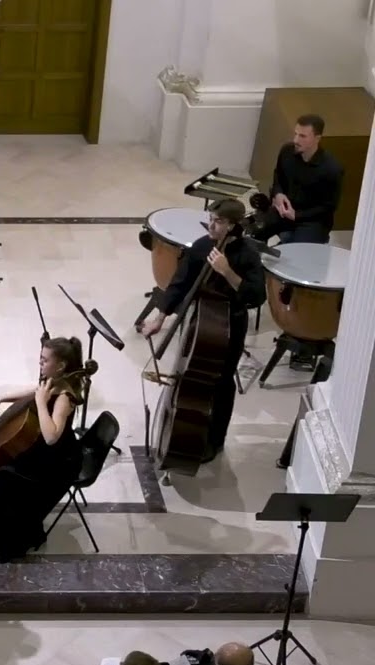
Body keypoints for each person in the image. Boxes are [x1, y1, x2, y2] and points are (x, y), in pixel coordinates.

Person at [139, 198, 266, 463]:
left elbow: (256, 296)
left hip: (230, 324)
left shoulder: (247, 255)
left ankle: (215, 440)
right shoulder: (202, 246)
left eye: (218, 222)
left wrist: (227, 272)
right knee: (189, 372)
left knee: (221, 383)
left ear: (232, 226)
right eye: (210, 219)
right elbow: (179, 283)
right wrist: (160, 318)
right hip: (200, 321)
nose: (211, 225)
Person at [0, 336, 90, 562]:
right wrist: (1, 399)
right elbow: (34, 392)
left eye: (44, 360)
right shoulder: (53, 381)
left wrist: (41, 402)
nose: (39, 364)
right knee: (4, 465)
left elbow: (51, 436)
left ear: (60, 366)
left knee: (3, 475)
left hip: (59, 462)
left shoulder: (65, 397)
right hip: (49, 451)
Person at [253, 114, 343, 246]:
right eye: (295, 134)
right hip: (284, 210)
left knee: (294, 254)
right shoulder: (286, 151)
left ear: (317, 138)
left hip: (312, 221)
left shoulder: (332, 169)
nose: (295, 140)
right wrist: (278, 194)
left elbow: (328, 207)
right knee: (253, 232)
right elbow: (278, 175)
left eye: (302, 136)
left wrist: (297, 215)